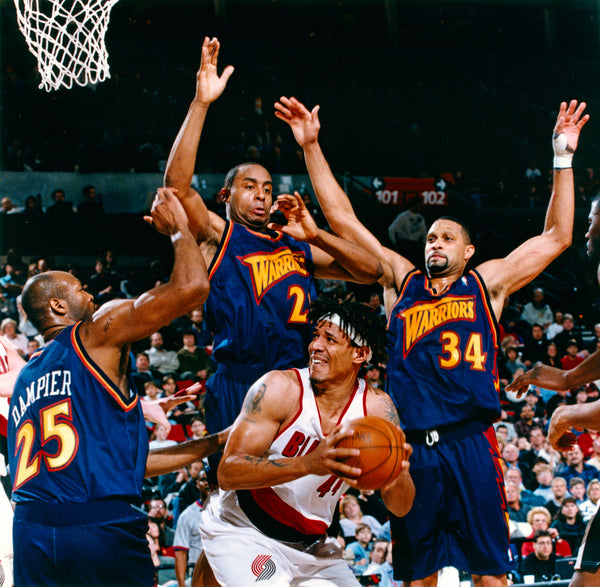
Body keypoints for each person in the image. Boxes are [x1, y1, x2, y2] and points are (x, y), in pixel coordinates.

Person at [276, 94, 589, 587]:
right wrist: (311, 146)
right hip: (411, 449)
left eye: (446, 238)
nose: (434, 244)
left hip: (471, 441)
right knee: (417, 579)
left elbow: (557, 236)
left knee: (490, 575)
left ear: (467, 250)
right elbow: (346, 222)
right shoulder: (402, 282)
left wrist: (563, 157)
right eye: (430, 239)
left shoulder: (486, 283)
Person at [163, 38, 382, 442]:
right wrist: (200, 104)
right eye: (249, 186)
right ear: (226, 196)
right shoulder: (219, 235)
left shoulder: (294, 243)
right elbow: (176, 189)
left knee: (293, 491)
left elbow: (371, 272)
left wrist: (318, 235)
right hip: (238, 380)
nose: (262, 195)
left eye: (267, 188)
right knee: (234, 493)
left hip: (297, 381)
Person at [7, 188, 228, 587]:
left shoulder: (26, 378)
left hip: (31, 532)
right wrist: (179, 228)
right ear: (59, 306)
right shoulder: (94, 333)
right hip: (98, 528)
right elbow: (192, 288)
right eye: (79, 289)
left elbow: (125, 464)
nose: (90, 293)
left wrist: (214, 441)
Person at [198, 296, 415, 585]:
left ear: (359, 354)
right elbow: (227, 472)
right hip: (246, 530)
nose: (315, 346)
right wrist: (309, 463)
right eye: (315, 336)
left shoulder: (377, 409)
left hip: (313, 547)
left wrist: (395, 473)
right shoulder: (279, 387)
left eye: (330, 339)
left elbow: (401, 507)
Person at [173, 465, 210, 587]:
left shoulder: (227, 510)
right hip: (197, 572)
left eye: (211, 479)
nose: (208, 483)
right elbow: (181, 554)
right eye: (204, 480)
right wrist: (181, 585)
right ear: (197, 484)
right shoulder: (187, 515)